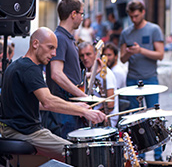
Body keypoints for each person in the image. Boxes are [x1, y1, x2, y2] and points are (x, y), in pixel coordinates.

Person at [0, 27, 106, 161]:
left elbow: (36, 103)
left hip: (11, 131)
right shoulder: (30, 68)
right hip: (26, 133)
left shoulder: (16, 65)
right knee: (81, 156)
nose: (54, 53)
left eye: (55, 48)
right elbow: (48, 101)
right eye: (50, 47)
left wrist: (75, 106)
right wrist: (83, 112)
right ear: (35, 44)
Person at [119, 0, 165, 161]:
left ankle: (158, 156)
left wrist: (141, 50)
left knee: (153, 117)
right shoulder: (126, 32)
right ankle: (140, 155)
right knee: (135, 120)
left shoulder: (154, 29)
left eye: (136, 16)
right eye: (131, 16)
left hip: (150, 78)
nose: (133, 19)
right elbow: (122, 58)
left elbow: (160, 54)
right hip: (132, 79)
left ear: (143, 12)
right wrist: (130, 53)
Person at [42, 0, 88, 139]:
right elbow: (56, 74)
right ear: (73, 14)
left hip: (69, 107)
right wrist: (83, 96)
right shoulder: (60, 38)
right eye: (81, 14)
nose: (82, 18)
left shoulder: (66, 38)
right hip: (64, 109)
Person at [78, 42, 119, 127]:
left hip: (105, 119)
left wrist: (91, 115)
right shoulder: (85, 73)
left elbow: (110, 105)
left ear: (95, 54)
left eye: (88, 54)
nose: (85, 58)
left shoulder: (106, 74)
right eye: (82, 55)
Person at [102, 42, 129, 111]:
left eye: (109, 55)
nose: (106, 58)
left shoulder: (117, 72)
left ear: (116, 56)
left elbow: (112, 95)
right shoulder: (109, 70)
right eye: (104, 55)